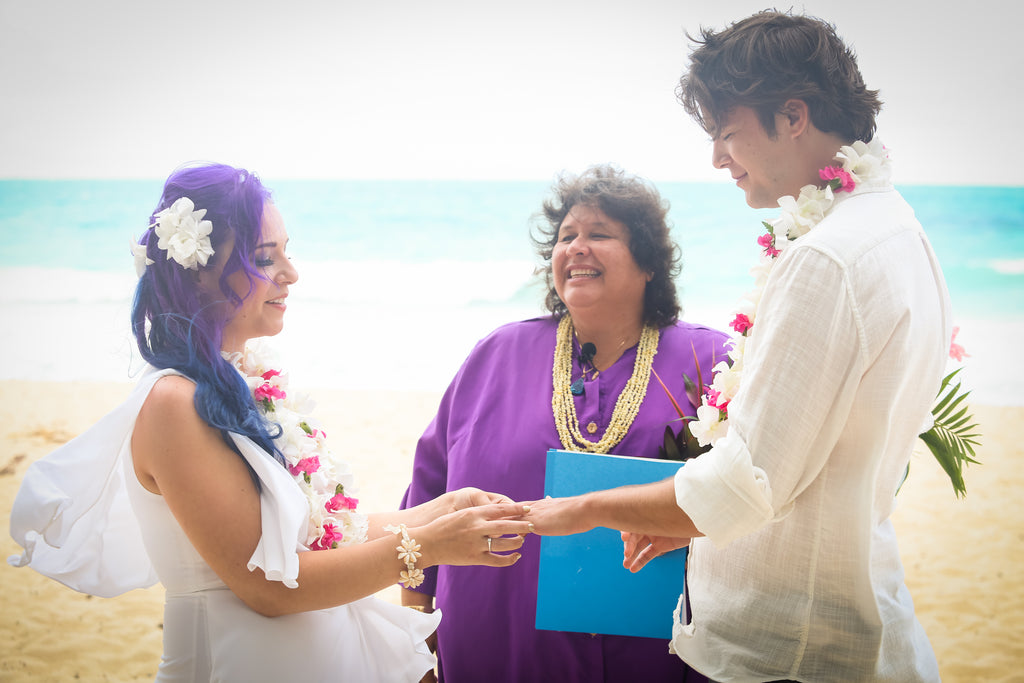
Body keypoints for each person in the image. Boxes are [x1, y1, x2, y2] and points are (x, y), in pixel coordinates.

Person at [525, 11, 949, 682]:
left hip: (791, 651)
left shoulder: (827, 258)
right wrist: (690, 520)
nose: (718, 158)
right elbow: (805, 460)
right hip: (846, 615)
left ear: (793, 115)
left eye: (726, 133)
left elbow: (749, 477)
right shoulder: (898, 229)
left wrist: (583, 508)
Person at [8, 163, 533, 682]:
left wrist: (438, 511)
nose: (291, 273)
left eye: (287, 251)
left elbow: (321, 537)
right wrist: (432, 548)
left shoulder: (242, 382)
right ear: (200, 271)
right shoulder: (172, 402)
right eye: (266, 258)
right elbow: (268, 589)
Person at [399, 164, 728, 682]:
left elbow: (760, 493)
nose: (576, 247)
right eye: (565, 236)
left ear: (648, 263)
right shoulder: (497, 355)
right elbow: (424, 499)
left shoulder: (711, 360)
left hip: (657, 654)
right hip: (496, 648)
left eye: (599, 234)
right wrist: (411, 639)